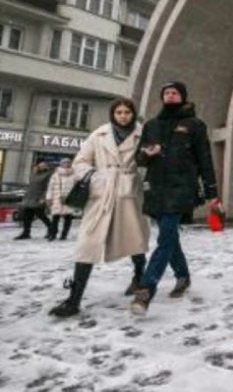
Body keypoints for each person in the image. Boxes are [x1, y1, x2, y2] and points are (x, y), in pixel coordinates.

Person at [48, 98, 150, 318]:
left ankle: (139, 276)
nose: (123, 116)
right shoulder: (99, 134)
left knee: (134, 239)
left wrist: (142, 174)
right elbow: (80, 161)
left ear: (133, 114)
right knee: (87, 244)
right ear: (113, 114)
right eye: (119, 112)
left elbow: (150, 163)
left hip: (128, 193)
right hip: (101, 194)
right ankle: (73, 300)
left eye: (127, 112)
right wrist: (94, 177)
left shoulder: (143, 135)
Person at [131, 81, 219, 316]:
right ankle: (183, 275)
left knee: (165, 237)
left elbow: (205, 159)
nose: (170, 96)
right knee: (169, 238)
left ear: (182, 96)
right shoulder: (151, 125)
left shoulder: (194, 125)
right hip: (155, 187)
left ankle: (146, 289)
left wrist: (212, 192)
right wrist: (146, 154)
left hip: (182, 187)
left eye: (175, 93)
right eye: (167, 93)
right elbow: (138, 158)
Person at [14, 162, 54, 240]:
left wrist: (43, 198)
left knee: (41, 215)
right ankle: (26, 233)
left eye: (43, 166)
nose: (41, 167)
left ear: (47, 167)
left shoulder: (48, 175)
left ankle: (51, 229)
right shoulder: (33, 174)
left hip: (38, 198)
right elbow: (30, 186)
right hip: (29, 197)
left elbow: (48, 187)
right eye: (40, 165)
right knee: (27, 216)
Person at [46, 158, 77, 240]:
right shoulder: (55, 175)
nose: (66, 164)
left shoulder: (74, 175)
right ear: (61, 164)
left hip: (69, 199)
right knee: (55, 217)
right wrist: (49, 198)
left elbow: (77, 188)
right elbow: (50, 187)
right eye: (64, 163)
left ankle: (64, 234)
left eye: (68, 163)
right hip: (57, 198)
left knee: (68, 217)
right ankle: (53, 234)